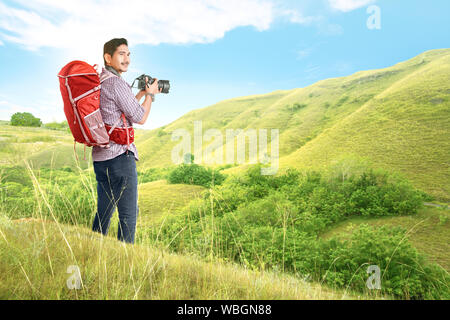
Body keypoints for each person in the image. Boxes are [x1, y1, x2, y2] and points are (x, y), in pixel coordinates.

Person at [92, 38, 161, 244]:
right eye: (121, 54)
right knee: (129, 215)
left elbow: (121, 112)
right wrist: (150, 96)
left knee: (104, 212)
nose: (127, 59)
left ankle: (92, 248)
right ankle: (125, 263)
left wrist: (139, 93)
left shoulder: (101, 80)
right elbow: (139, 117)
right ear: (108, 57)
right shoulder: (116, 83)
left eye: (129, 54)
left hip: (101, 158)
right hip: (120, 157)